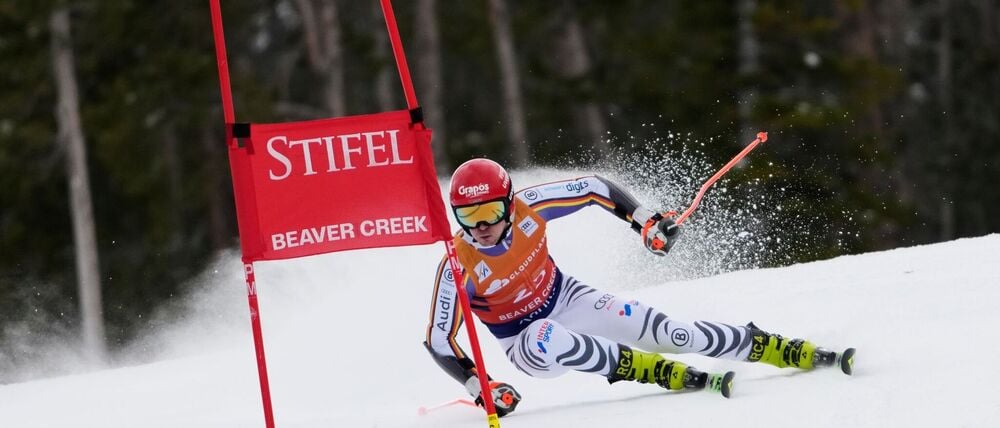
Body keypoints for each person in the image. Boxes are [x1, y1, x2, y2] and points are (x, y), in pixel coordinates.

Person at [424, 158, 850, 417]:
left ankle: (773, 347)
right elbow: (439, 339)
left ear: (509, 203)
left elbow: (594, 187)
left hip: (566, 298)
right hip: (526, 343)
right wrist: (481, 387)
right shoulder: (458, 263)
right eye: (467, 216)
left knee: (671, 334)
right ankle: (651, 371)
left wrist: (645, 221)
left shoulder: (530, 207)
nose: (480, 226)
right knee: (544, 335)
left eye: (490, 211)